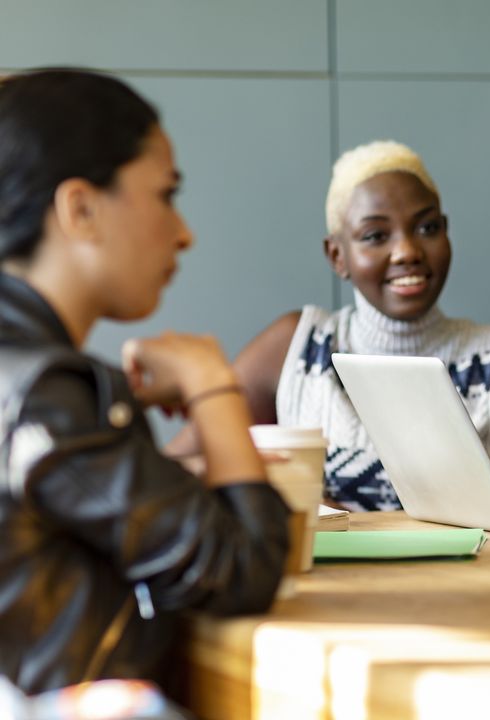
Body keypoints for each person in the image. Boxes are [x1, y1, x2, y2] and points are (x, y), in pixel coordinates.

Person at [0, 69, 290, 693]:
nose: (183, 233)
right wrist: (213, 386)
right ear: (80, 208)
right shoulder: (46, 392)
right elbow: (243, 568)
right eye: (166, 194)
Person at [179, 140, 490, 511]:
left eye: (427, 227)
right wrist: (285, 500)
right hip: (322, 586)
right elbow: (176, 469)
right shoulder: (295, 346)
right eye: (375, 235)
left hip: (469, 586)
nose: (407, 251)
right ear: (337, 256)